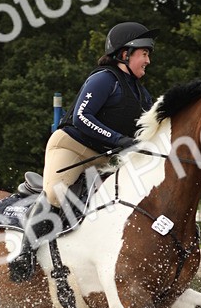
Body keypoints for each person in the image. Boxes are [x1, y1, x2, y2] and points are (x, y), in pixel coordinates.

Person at [9, 21, 156, 282]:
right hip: (70, 147)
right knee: (56, 193)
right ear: (124, 54)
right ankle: (25, 254)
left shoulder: (141, 94)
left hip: (101, 157)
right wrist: (119, 139)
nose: (148, 59)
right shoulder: (104, 79)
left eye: (148, 54)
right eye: (143, 53)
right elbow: (81, 117)